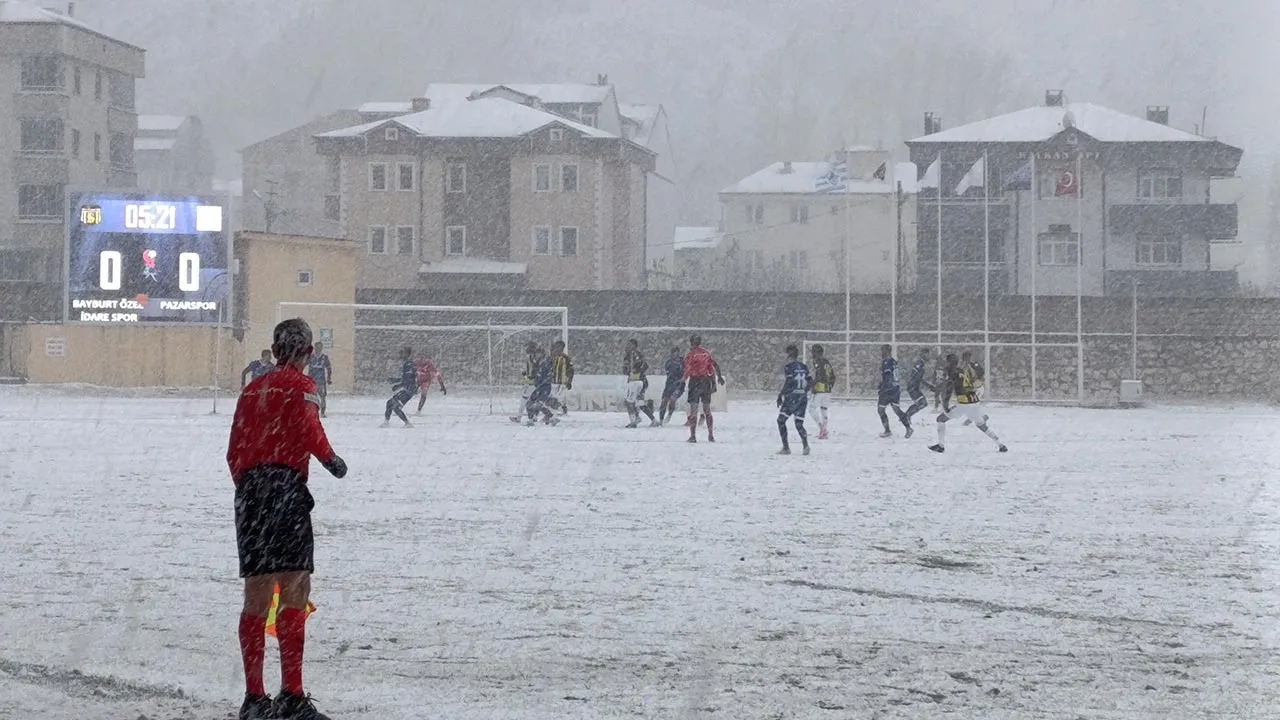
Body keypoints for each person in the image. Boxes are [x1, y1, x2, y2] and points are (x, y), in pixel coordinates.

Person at [228, 318, 347, 720]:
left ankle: (254, 698)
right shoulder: (304, 387)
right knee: (295, 585)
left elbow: (234, 449)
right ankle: (291, 695)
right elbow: (309, 430)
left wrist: (248, 487)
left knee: (257, 593)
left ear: (274, 349)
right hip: (285, 489)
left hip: (250, 494)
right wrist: (332, 461)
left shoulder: (251, 389)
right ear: (307, 353)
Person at [929, 352, 1007, 454]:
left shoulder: (951, 372)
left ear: (948, 362)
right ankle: (1001, 445)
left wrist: (945, 403)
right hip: (974, 401)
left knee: (940, 419)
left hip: (964, 403)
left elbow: (949, 387)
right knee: (981, 425)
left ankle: (941, 445)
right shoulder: (962, 370)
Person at [682, 334, 725, 443]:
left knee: (693, 410)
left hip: (695, 381)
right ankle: (710, 434)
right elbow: (714, 365)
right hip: (705, 382)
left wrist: (683, 378)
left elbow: (688, 368)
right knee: (707, 409)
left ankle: (693, 436)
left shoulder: (690, 354)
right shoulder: (706, 353)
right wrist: (718, 377)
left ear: (691, 343)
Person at [776, 344, 812, 455]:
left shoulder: (789, 367)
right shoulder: (804, 366)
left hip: (792, 397)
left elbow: (789, 382)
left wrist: (780, 395)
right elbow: (810, 380)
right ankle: (805, 445)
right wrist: (805, 391)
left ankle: (786, 447)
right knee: (799, 423)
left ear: (789, 354)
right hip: (802, 398)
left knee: (781, 421)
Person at [622, 338, 658, 428]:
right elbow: (645, 366)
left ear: (634, 345)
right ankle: (653, 420)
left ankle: (634, 421)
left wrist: (633, 371)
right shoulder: (637, 354)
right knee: (639, 403)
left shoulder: (632, 354)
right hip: (642, 381)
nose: (627, 346)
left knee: (629, 402)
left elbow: (631, 368)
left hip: (635, 381)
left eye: (629, 345)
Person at [877, 344, 911, 438]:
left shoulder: (886, 362)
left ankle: (887, 430)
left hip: (888, 389)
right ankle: (908, 428)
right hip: (896, 388)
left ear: (887, 351)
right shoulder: (894, 361)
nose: (881, 353)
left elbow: (888, 376)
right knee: (896, 409)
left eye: (883, 351)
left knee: (880, 409)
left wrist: (883, 387)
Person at [381, 346, 416, 428]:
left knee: (396, 407)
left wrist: (398, 385)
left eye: (402, 353)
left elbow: (408, 379)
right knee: (390, 403)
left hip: (409, 390)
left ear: (407, 354)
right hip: (407, 389)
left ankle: (408, 424)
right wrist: (395, 380)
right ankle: (386, 422)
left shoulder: (409, 364)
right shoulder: (407, 363)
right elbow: (406, 378)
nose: (400, 354)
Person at [524, 345, 559, 426]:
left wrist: (542, 383)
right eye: (536, 354)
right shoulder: (537, 363)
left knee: (539, 404)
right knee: (529, 403)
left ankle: (551, 417)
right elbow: (537, 375)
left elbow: (549, 376)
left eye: (538, 354)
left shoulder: (547, 363)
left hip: (545, 388)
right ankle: (546, 416)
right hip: (538, 387)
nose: (536, 355)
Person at [902, 347, 934, 428]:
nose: (928, 356)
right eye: (927, 354)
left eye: (929, 354)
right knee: (922, 403)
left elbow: (918, 377)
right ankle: (906, 416)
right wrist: (928, 386)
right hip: (913, 387)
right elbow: (916, 376)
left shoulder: (921, 363)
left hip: (914, 387)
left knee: (921, 403)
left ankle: (906, 416)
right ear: (923, 354)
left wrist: (928, 385)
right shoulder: (919, 363)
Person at [510, 342, 541, 423]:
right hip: (531, 381)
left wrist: (531, 376)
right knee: (534, 400)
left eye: (529, 347)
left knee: (525, 400)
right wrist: (525, 375)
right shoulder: (533, 357)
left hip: (531, 382)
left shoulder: (533, 357)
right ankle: (534, 417)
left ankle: (519, 417)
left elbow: (535, 368)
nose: (527, 349)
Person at [809, 345, 835, 439]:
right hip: (827, 389)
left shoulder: (818, 362)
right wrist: (830, 386)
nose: (812, 354)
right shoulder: (827, 362)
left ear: (816, 353)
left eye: (813, 352)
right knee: (824, 409)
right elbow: (833, 376)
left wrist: (813, 384)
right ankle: (825, 430)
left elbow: (820, 376)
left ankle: (821, 428)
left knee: (811, 408)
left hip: (820, 389)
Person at [658, 346, 684, 425]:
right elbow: (667, 372)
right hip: (669, 384)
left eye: (676, 352)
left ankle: (669, 414)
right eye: (673, 352)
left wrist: (682, 378)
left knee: (673, 399)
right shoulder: (668, 362)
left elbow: (685, 371)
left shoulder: (682, 362)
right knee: (664, 401)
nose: (674, 354)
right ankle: (661, 420)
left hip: (679, 384)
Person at [960, 350, 987, 426]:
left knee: (971, 404)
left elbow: (981, 372)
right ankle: (981, 417)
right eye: (965, 358)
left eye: (968, 357)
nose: (967, 359)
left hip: (977, 388)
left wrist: (978, 380)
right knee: (972, 405)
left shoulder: (974, 365)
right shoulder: (962, 367)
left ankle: (977, 418)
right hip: (972, 388)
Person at [306, 342, 332, 418]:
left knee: (323, 396)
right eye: (317, 347)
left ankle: (323, 412)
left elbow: (329, 368)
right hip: (311, 380)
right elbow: (302, 364)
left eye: (320, 347)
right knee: (311, 397)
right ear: (315, 347)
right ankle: (313, 412)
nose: (318, 348)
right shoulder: (310, 357)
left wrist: (329, 378)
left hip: (321, 381)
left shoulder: (324, 357)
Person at [549, 340, 574, 415]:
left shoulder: (565, 358)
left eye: (559, 347)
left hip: (561, 382)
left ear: (562, 348)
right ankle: (562, 408)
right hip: (552, 382)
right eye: (556, 346)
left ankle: (552, 415)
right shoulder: (552, 357)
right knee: (552, 398)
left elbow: (571, 370)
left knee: (555, 399)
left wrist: (569, 381)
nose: (557, 348)